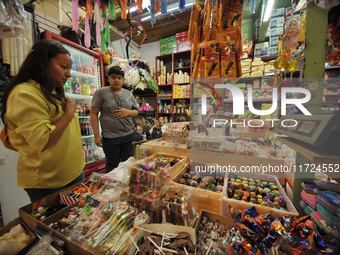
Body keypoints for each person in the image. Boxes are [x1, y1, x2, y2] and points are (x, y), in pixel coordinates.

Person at [0, 39, 85, 202]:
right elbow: (43, 140)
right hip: (49, 181)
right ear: (42, 63)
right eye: (63, 67)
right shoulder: (24, 94)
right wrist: (68, 115)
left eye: (69, 68)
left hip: (73, 172)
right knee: (56, 226)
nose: (68, 73)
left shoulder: (52, 90)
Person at [91, 66, 139, 172]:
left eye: (119, 77)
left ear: (123, 80)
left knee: (128, 166)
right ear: (109, 78)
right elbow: (93, 114)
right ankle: (112, 188)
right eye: (113, 77)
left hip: (128, 136)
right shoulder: (101, 93)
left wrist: (127, 112)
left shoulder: (128, 94)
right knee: (112, 167)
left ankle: (126, 188)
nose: (116, 80)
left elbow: (136, 112)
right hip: (110, 138)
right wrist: (96, 135)